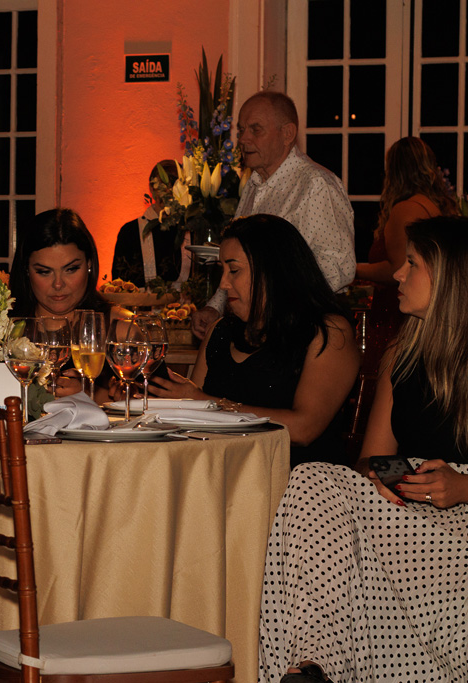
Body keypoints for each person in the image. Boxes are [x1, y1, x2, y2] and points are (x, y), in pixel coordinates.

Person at [258, 216, 468, 683]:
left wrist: (462, 487)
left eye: (412, 263)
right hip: (409, 508)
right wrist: (390, 477)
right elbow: (370, 459)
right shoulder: (400, 357)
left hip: (461, 516)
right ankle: (313, 664)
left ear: (449, 277)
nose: (397, 273)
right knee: (313, 476)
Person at [151, 214, 359, 467]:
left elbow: (303, 430)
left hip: (297, 481)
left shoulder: (328, 332)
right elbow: (193, 424)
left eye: (234, 270)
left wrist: (205, 403)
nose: (224, 284)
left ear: (273, 270)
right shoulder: (220, 332)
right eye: (222, 271)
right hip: (223, 473)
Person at [191, 91, 355, 339]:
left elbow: (340, 268)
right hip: (262, 331)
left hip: (304, 332)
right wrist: (216, 307)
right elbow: (241, 266)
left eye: (255, 129)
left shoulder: (316, 184)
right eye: (241, 130)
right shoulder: (254, 185)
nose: (243, 139)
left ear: (287, 133)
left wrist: (273, 301)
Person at [355, 137, 455, 376]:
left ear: (395, 171)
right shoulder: (435, 206)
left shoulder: (405, 210)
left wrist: (353, 270)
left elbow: (397, 269)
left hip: (398, 311)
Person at [9, 208, 110, 398]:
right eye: (44, 272)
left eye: (71, 269)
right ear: (26, 270)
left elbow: (149, 403)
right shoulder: (1, 328)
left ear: (89, 263)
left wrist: (93, 396)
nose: (58, 284)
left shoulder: (118, 330)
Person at [111, 160, 192, 287]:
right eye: (163, 185)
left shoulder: (191, 230)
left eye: (174, 185)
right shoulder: (130, 232)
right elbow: (119, 285)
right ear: (151, 188)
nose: (169, 191)